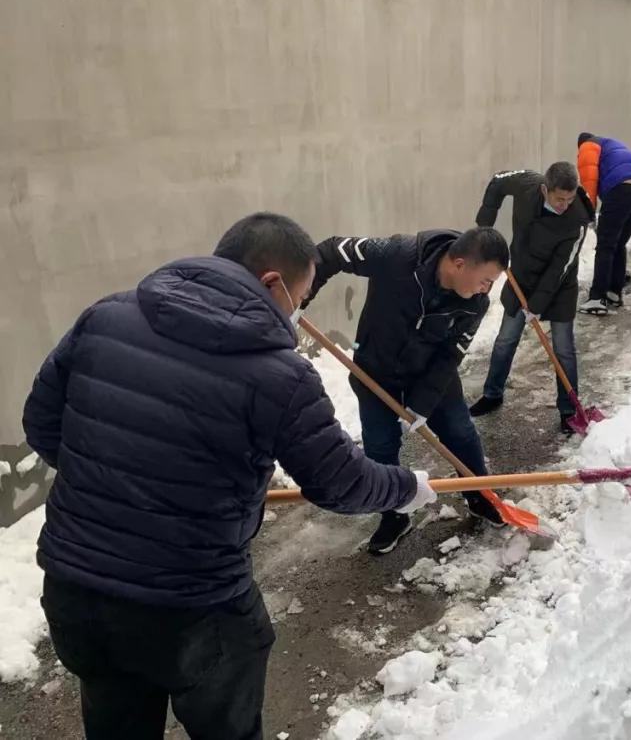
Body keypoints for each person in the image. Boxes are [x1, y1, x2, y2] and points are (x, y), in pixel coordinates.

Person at [22, 212, 436, 740]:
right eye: (300, 298)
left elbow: (40, 424)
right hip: (193, 605)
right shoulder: (280, 376)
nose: (297, 312)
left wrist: (118, 478)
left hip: (77, 591)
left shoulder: (104, 317)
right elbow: (339, 483)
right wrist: (406, 487)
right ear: (271, 282)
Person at [304, 226, 509, 554]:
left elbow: (451, 353)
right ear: (459, 264)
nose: (488, 289)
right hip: (375, 372)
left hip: (431, 373)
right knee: (380, 447)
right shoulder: (396, 256)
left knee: (460, 433)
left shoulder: (476, 302)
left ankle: (481, 495)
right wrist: (301, 298)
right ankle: (395, 515)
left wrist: (423, 404)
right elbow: (332, 250)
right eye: (486, 279)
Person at [468, 163, 593, 434]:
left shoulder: (577, 220)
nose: (565, 205)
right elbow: (498, 178)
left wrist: (536, 306)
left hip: (558, 288)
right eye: (559, 198)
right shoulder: (526, 185)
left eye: (570, 199)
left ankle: (569, 409)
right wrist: (485, 222)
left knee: (563, 349)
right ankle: (493, 394)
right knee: (505, 340)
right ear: (544, 189)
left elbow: (559, 269)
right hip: (521, 277)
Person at [576, 133, 631, 315]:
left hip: (620, 189)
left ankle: (596, 298)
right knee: (618, 244)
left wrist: (590, 212)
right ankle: (614, 292)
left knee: (605, 246)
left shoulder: (587, 147)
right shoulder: (610, 144)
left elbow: (589, 183)